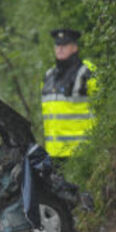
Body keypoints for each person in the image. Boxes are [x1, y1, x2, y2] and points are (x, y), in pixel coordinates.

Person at [41, 28, 97, 162]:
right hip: (53, 154)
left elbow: (103, 107)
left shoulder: (86, 73)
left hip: (81, 154)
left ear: (74, 47)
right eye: (57, 45)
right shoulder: (48, 76)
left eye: (65, 45)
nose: (60, 48)